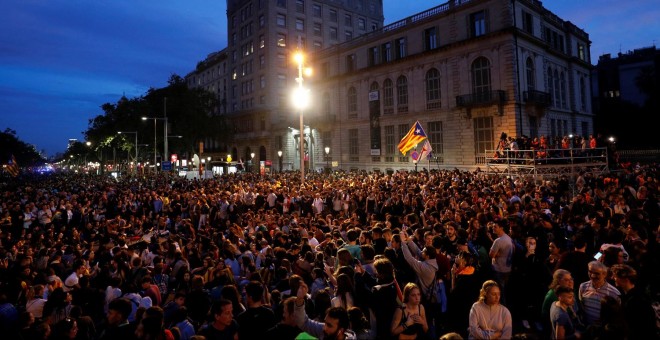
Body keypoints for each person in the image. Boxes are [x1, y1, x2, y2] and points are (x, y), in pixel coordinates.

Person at [610, 264, 657, 339]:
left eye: (615, 276)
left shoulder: (636, 301)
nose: (613, 278)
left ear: (625, 279)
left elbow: (639, 326)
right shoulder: (631, 296)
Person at [578, 261, 620, 327]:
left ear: (604, 274)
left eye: (597, 273)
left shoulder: (614, 293)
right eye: (590, 272)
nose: (592, 275)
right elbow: (581, 306)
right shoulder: (583, 286)